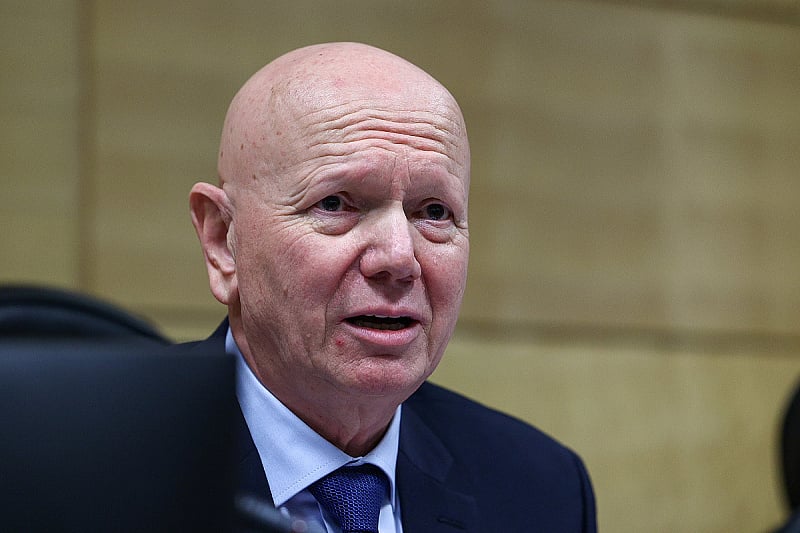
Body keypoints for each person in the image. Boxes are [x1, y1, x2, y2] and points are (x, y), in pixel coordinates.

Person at [188, 41, 596, 532]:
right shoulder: (110, 464)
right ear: (222, 241)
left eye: (434, 212)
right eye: (336, 203)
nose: (400, 258)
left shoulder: (541, 489)